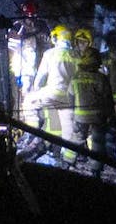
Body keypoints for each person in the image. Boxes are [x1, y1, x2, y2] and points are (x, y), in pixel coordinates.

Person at [22, 24, 77, 165]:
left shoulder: (50, 53)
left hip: (51, 93)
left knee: (28, 101)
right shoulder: (77, 55)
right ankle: (67, 161)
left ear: (56, 37)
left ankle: (31, 133)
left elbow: (39, 79)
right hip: (69, 99)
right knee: (68, 133)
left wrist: (36, 90)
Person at [68, 49, 114, 178]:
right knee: (98, 141)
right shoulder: (101, 78)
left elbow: (70, 96)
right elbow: (107, 99)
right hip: (98, 116)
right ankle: (96, 169)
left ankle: (67, 162)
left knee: (77, 139)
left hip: (80, 116)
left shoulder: (76, 77)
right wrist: (110, 115)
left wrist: (72, 112)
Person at [7, 1, 50, 120]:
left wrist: (39, 34)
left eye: (33, 16)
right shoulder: (17, 27)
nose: (31, 20)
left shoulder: (42, 26)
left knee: (36, 100)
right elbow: (11, 47)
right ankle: (19, 124)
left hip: (38, 69)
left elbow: (48, 43)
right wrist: (25, 35)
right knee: (21, 99)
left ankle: (36, 125)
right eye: (29, 17)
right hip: (21, 70)